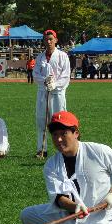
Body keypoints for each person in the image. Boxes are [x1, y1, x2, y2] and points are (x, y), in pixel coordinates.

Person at [32, 29, 71, 158]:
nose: (48, 42)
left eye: (51, 39)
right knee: (41, 120)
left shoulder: (62, 56)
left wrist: (54, 84)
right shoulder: (40, 57)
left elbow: (66, 76)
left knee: (60, 122)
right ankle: (41, 149)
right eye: (46, 39)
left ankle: (64, 148)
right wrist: (45, 82)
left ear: (55, 40)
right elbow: (35, 74)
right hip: (43, 93)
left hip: (57, 94)